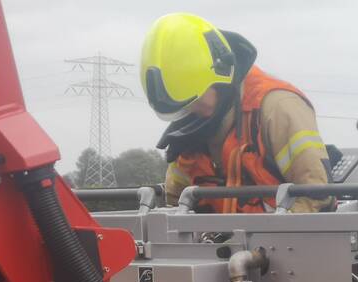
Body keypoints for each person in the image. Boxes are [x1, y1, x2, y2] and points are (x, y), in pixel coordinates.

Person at [140, 13, 331, 213]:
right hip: (211, 242)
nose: (191, 111)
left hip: (282, 241)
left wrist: (265, 241)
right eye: (183, 107)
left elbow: (316, 197)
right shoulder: (190, 127)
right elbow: (175, 202)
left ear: (221, 80)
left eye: (195, 102)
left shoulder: (278, 108)